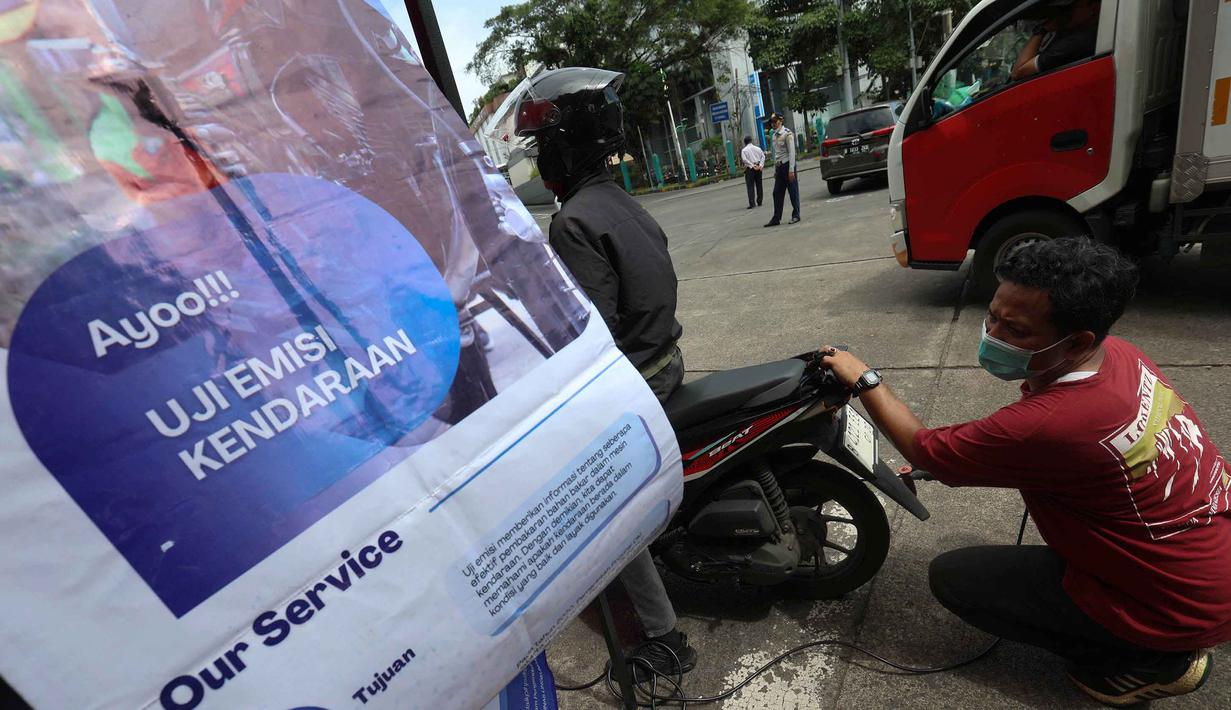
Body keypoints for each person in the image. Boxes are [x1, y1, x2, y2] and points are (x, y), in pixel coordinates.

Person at [820, 239, 1228, 706]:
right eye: (993, 316)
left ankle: (1151, 661)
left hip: (1181, 600)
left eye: (1014, 329)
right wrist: (979, 455)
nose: (992, 334)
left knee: (957, 580)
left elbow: (926, 448)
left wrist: (864, 378)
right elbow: (1055, 448)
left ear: (1078, 341)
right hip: (1209, 551)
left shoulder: (1054, 422)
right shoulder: (1121, 356)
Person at [500, 66, 695, 680]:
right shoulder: (620, 203)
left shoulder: (572, 222)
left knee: (603, 502)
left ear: (565, 146)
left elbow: (592, 333)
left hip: (638, 379)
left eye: (542, 146)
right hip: (666, 359)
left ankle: (663, 637)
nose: (539, 160)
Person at [1011, 0, 1101, 81]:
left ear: (1093, 9)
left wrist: (1043, 29)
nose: (1067, 12)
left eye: (1072, 6)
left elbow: (1018, 72)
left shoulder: (1076, 42)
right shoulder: (1090, 33)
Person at [764, 112, 800, 227]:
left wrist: (791, 170)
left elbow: (792, 153)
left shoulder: (787, 134)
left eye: (775, 121)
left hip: (788, 165)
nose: (773, 124)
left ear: (781, 121)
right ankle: (776, 218)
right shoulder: (774, 135)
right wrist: (775, 169)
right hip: (779, 167)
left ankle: (796, 215)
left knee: (793, 192)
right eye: (772, 122)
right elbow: (776, 154)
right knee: (776, 193)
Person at [740, 135, 765, 210]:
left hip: (750, 169)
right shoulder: (758, 148)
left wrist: (752, 166)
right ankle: (759, 201)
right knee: (759, 185)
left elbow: (744, 160)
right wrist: (760, 165)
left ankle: (752, 203)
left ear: (745, 142)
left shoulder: (744, 150)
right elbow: (763, 156)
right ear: (751, 141)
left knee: (750, 186)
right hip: (758, 167)